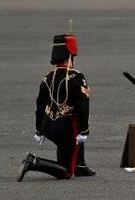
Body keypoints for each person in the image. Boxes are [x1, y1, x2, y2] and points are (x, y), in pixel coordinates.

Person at [18, 33, 96, 181]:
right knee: (66, 172)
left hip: (48, 126)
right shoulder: (77, 77)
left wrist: (39, 130)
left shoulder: (47, 77)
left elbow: (39, 106)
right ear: (70, 58)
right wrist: (85, 130)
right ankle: (34, 162)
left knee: (67, 148)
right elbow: (83, 106)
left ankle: (79, 165)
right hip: (66, 129)